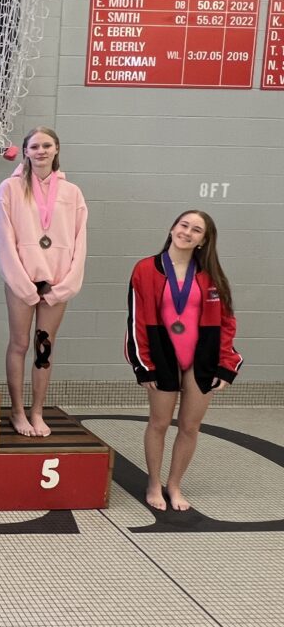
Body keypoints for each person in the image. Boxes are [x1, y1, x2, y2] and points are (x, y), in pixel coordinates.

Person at [126, 210, 242, 511]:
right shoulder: (146, 269)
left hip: (201, 358)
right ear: (172, 228)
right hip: (163, 356)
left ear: (203, 240)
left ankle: (174, 485)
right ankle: (154, 483)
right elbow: (136, 321)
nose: (187, 232)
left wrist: (226, 364)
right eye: (183, 225)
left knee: (190, 426)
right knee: (159, 423)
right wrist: (143, 364)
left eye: (196, 230)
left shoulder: (212, 275)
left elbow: (227, 323)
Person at [0, 127, 87, 437]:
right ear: (26, 151)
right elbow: (2, 238)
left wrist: (66, 286)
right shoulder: (10, 188)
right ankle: (17, 411)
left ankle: (37, 411)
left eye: (47, 145)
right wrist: (22, 284)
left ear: (56, 149)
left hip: (55, 283)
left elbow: (80, 242)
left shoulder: (72, 193)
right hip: (22, 280)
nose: (41, 151)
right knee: (20, 344)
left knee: (43, 348)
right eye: (34, 146)